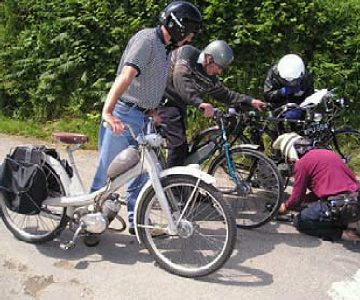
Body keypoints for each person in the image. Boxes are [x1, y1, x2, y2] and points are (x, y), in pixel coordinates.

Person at [90, 1, 202, 234]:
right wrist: (108, 111)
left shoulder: (164, 48)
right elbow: (127, 74)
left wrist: (150, 110)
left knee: (139, 174)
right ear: (179, 26)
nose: (190, 39)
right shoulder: (147, 40)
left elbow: (146, 81)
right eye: (189, 33)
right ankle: (91, 221)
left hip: (140, 117)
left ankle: (137, 223)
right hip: (124, 114)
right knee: (108, 173)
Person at [158, 40, 266, 168]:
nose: (219, 72)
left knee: (182, 149)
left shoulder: (210, 78)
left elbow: (226, 95)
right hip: (161, 100)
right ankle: (170, 184)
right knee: (178, 145)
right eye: (219, 67)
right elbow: (180, 79)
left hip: (177, 106)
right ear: (209, 58)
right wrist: (199, 103)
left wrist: (251, 101)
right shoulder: (188, 53)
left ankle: (179, 181)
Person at [273, 132, 360, 244]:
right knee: (313, 208)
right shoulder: (327, 153)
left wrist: (283, 207)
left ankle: (343, 233)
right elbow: (325, 189)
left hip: (339, 204)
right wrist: (305, 202)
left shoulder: (301, 164)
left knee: (300, 221)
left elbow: (296, 199)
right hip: (359, 198)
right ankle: (353, 219)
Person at [263, 54, 314, 120]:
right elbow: (267, 95)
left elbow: (310, 98)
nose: (290, 83)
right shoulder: (273, 74)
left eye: (293, 81)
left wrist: (304, 107)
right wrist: (281, 92)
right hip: (278, 108)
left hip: (298, 109)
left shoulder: (306, 77)